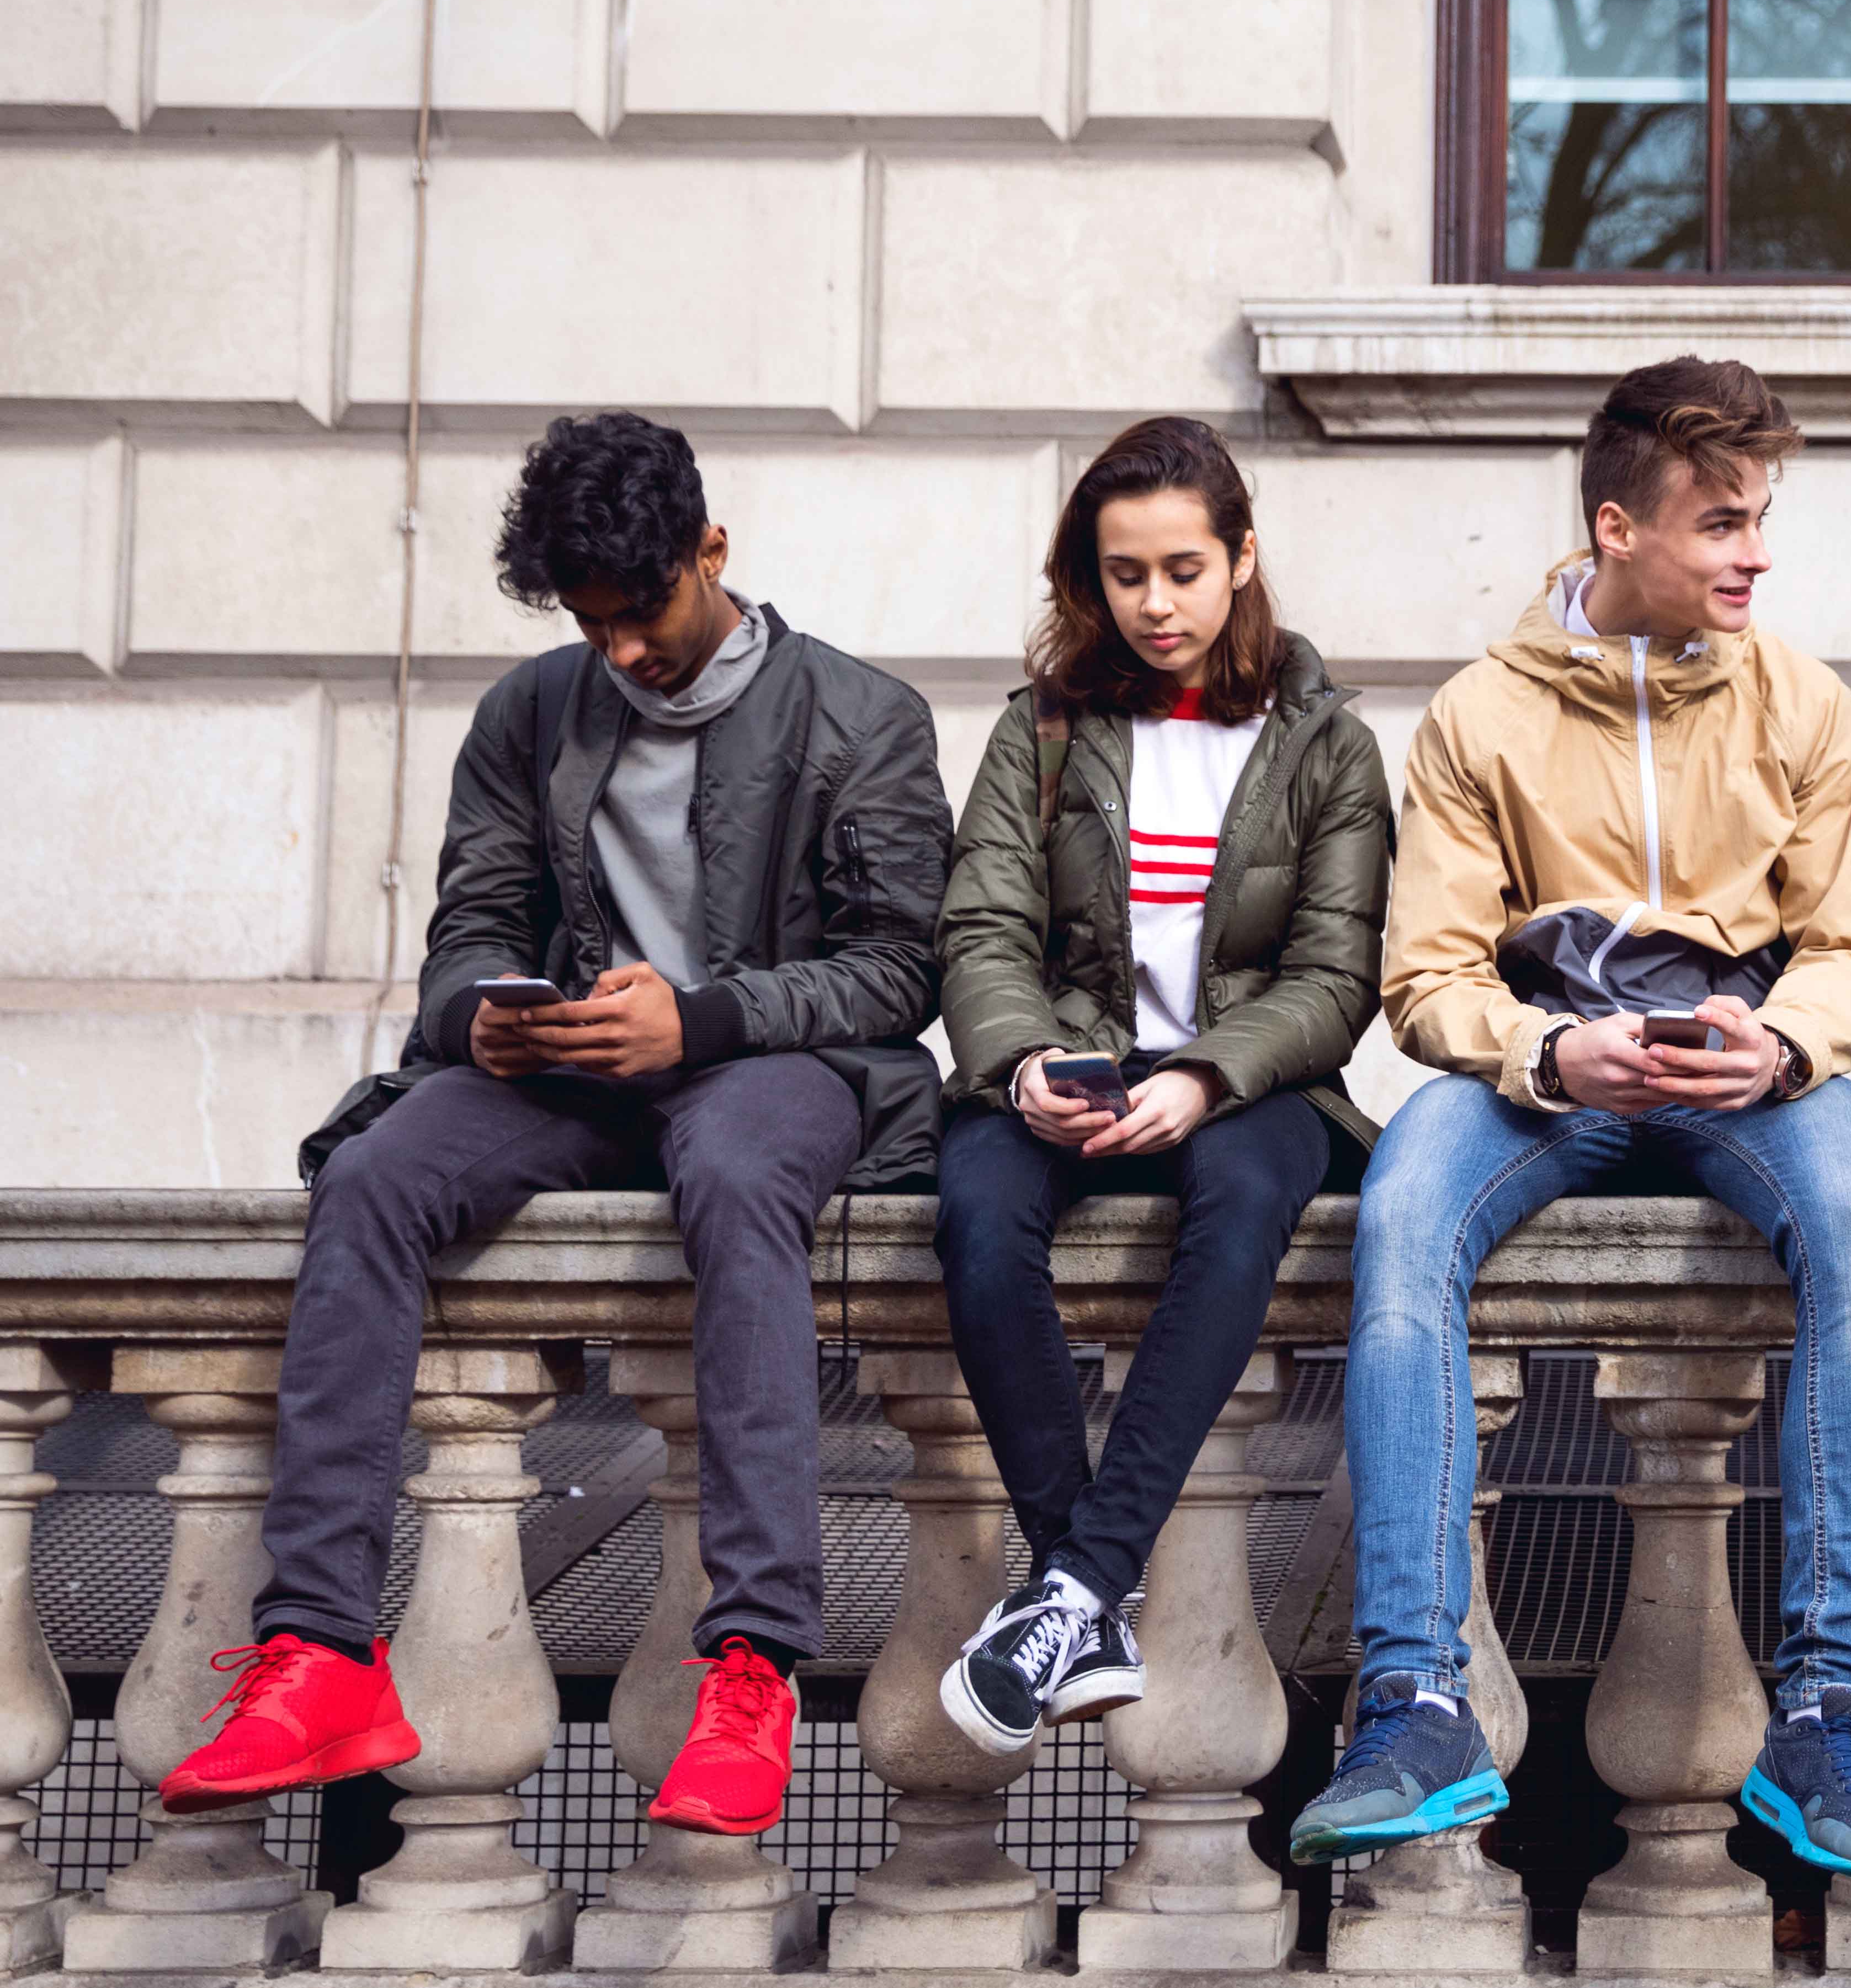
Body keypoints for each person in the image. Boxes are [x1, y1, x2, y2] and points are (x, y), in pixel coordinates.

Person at [161, 411, 952, 1837]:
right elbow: (468, 931)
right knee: (377, 1173)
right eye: (592, 624)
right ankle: (324, 1652)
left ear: (713, 551)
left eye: (642, 611)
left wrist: (698, 1023)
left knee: (733, 1166)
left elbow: (900, 972)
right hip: (574, 1077)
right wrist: (486, 1018)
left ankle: (756, 1662)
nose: (623, 653)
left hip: (767, 1069)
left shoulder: (864, 718)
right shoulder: (531, 715)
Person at [1283, 358, 1851, 1886]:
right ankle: (1415, 1698)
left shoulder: (1807, 705)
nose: (1753, 552)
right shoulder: (1479, 715)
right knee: (1401, 1219)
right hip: (1542, 1078)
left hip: (1744, 1072)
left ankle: (1829, 1710)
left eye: (1762, 517)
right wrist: (1554, 1054)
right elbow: (1426, 975)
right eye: (1721, 521)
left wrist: (1772, 1042)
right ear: (1619, 523)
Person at [928, 418, 1389, 1755]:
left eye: (1183, 568)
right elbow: (984, 929)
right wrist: (1019, 1069)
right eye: (1125, 574)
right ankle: (1086, 1587)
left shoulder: (1326, 748)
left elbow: (1335, 975)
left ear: (1241, 559)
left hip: (1253, 1087)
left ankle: (1074, 1582)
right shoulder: (1046, 732)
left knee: (1244, 1203)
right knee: (972, 1204)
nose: (1155, 602)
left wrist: (1202, 1075)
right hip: (1069, 1062)